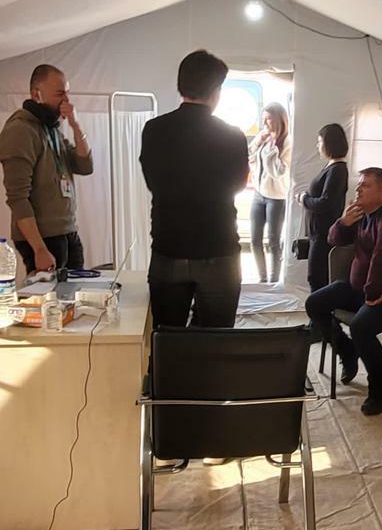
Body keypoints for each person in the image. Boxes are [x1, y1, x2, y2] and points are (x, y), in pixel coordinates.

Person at [139, 50, 248, 328]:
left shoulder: (154, 129)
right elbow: (238, 185)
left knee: (168, 338)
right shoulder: (233, 135)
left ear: (181, 85)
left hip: (169, 248)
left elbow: (153, 182)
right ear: (215, 90)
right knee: (216, 341)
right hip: (219, 248)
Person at [304, 167, 382, 415]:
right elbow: (334, 240)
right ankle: (347, 351)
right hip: (360, 289)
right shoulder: (362, 214)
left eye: (365, 185)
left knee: (361, 327)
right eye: (358, 184)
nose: (358, 189)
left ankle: (381, 390)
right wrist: (343, 222)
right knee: (314, 303)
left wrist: (372, 294)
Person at [0, 64, 93, 275]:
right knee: (51, 295)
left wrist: (76, 125)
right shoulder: (20, 130)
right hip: (44, 238)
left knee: (76, 291)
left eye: (67, 93)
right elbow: (17, 198)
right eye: (59, 94)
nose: (66, 101)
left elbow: (85, 166)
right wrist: (39, 249)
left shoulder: (51, 128)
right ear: (36, 95)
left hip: (67, 230)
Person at [294, 123, 349, 292]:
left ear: (329, 143)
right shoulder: (331, 167)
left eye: (319, 142)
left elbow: (326, 203)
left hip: (324, 233)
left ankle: (318, 310)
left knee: (317, 277)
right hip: (317, 232)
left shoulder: (337, 170)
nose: (317, 146)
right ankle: (316, 309)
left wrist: (304, 199)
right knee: (315, 276)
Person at [249, 103, 292, 283]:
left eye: (268, 118)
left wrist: (271, 150)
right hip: (258, 194)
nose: (265, 122)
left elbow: (278, 172)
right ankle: (262, 278)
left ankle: (274, 281)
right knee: (255, 240)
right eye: (263, 118)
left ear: (279, 120)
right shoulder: (264, 136)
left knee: (274, 242)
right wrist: (259, 142)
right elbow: (250, 155)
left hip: (276, 197)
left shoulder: (287, 142)